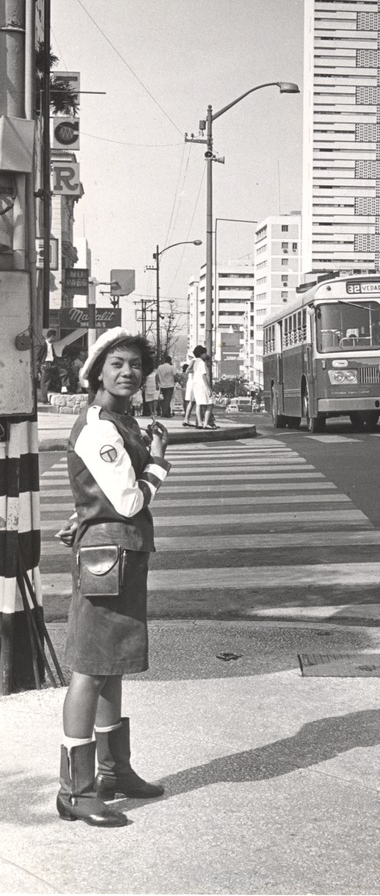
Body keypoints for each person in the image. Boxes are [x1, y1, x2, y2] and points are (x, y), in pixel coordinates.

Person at [54, 327, 171, 828]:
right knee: (91, 668)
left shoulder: (119, 422)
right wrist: (161, 465)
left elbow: (97, 495)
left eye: (135, 366)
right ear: (97, 369)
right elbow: (126, 500)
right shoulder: (100, 426)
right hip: (109, 558)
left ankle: (113, 772)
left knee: (112, 663)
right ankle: (75, 791)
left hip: (117, 554)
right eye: (118, 364)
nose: (129, 373)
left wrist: (83, 515)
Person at [37, 329, 69, 402]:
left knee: (63, 372)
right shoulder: (42, 345)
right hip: (45, 365)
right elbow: (37, 357)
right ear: (51, 337)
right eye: (54, 337)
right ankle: (44, 400)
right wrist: (38, 369)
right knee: (44, 383)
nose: (55, 339)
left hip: (52, 364)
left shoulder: (51, 345)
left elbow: (53, 356)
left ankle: (64, 388)